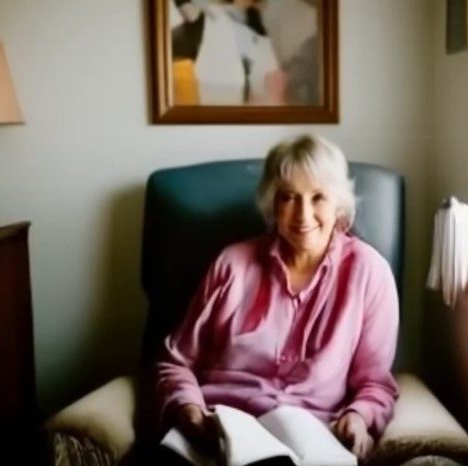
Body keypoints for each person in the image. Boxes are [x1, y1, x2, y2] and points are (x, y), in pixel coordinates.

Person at [155, 134, 399, 460]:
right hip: (220, 431)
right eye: (289, 197)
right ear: (272, 203)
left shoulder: (369, 272)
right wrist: (189, 408)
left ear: (339, 203)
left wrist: (359, 416)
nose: (303, 214)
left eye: (318, 197)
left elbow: (376, 384)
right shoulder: (232, 264)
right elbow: (176, 362)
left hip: (310, 437)